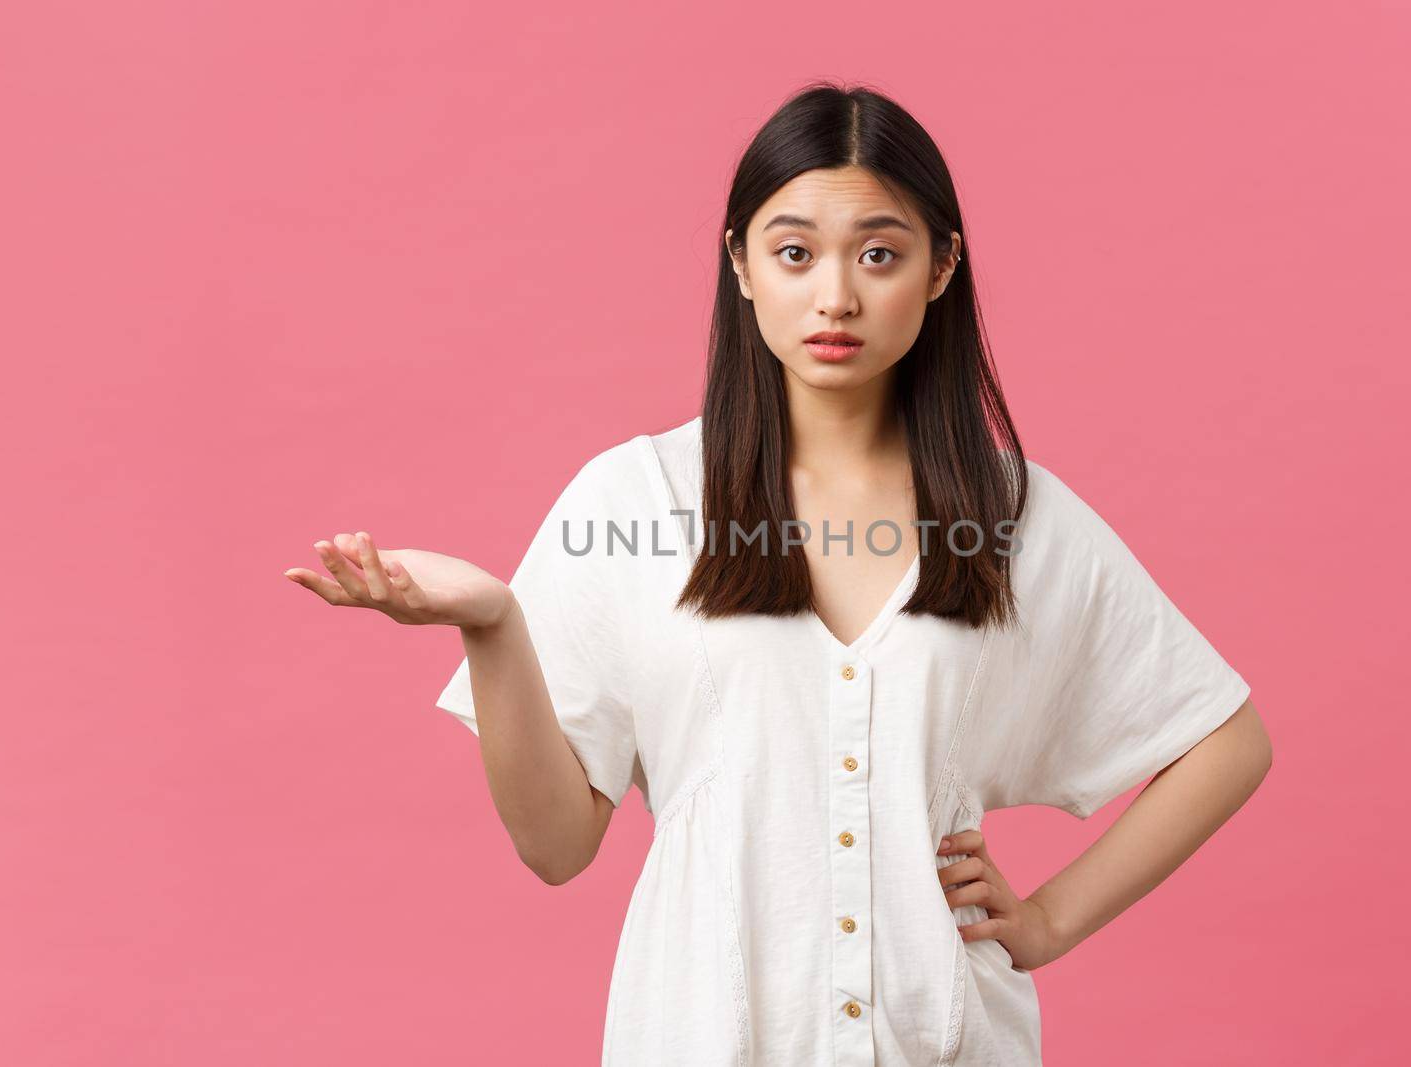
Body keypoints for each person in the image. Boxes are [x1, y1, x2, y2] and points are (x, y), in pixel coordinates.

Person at [284, 81, 1273, 1066]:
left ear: (940, 269)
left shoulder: (1013, 518)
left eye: (878, 253)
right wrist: (494, 622)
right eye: (794, 252)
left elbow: (1226, 741)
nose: (834, 295)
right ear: (742, 264)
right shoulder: (637, 499)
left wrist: (1051, 919)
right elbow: (554, 846)